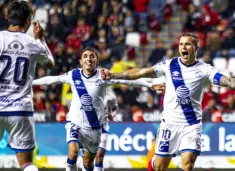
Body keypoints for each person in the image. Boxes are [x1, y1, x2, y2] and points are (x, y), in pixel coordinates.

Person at [100, 32, 235, 171]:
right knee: (159, 166)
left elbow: (227, 81)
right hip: (170, 124)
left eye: (188, 44)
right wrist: (113, 75)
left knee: (188, 163)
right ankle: (152, 163)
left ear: (196, 48)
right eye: (181, 44)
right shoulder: (169, 65)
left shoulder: (205, 69)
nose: (183, 47)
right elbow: (141, 72)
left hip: (192, 124)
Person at [32, 47, 164, 171]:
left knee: (88, 163)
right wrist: (31, 82)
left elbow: (128, 81)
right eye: (85, 56)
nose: (88, 59)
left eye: (92, 56)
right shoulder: (73, 75)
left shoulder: (103, 76)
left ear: (97, 61)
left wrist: (150, 84)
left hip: (94, 127)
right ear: (81, 61)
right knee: (72, 152)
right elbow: (52, 79)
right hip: (75, 123)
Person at [0, 1, 55, 171]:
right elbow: (50, 64)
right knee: (26, 164)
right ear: (28, 20)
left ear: (7, 16)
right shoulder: (33, 43)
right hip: (21, 110)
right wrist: (41, 38)